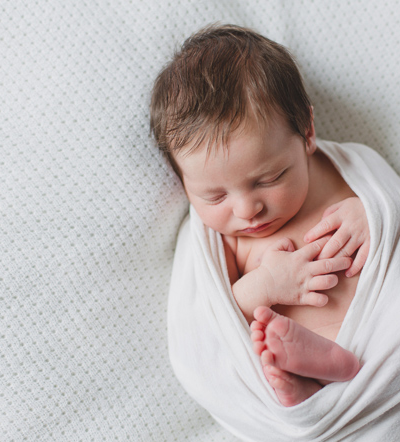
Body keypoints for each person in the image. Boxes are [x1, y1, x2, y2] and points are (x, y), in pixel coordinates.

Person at [150, 24, 370, 407]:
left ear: (307, 133)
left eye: (269, 178)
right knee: (272, 355)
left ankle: (332, 368)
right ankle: (307, 383)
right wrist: (267, 284)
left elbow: (398, 213)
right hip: (294, 358)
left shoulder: (340, 171)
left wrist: (370, 214)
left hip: (375, 339)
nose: (247, 209)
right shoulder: (223, 241)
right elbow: (212, 320)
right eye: (214, 195)